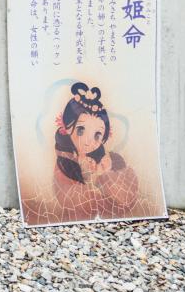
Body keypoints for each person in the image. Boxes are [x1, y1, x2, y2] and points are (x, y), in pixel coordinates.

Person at [51, 82, 141, 220]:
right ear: (67, 127)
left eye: (97, 135)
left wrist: (104, 175)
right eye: (81, 130)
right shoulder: (65, 163)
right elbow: (75, 205)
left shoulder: (112, 161)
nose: (88, 141)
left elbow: (127, 201)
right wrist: (87, 175)